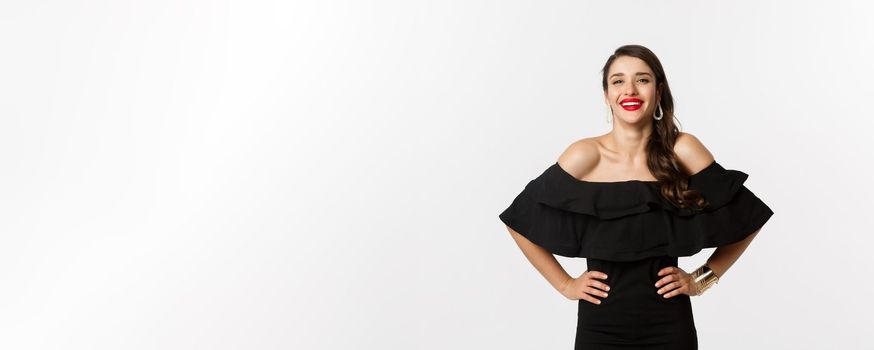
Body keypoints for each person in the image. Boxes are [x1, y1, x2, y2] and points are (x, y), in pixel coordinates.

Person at [498, 44, 774, 349]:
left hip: (670, 328)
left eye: (641, 80)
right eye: (618, 81)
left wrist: (703, 278)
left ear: (658, 91)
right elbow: (519, 220)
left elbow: (749, 216)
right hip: (599, 329)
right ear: (606, 95)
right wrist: (565, 284)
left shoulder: (683, 150)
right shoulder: (584, 155)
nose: (629, 89)